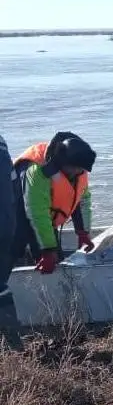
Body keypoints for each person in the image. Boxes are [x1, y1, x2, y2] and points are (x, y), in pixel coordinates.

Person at [11, 132, 97, 274]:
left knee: (56, 262)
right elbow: (37, 212)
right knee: (13, 251)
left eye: (82, 170)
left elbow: (81, 200)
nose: (79, 172)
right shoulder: (38, 171)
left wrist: (83, 232)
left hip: (45, 217)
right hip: (18, 210)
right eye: (77, 169)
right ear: (64, 163)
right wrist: (48, 250)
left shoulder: (79, 169)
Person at [0, 133, 22, 349]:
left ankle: (13, 347)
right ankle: (13, 346)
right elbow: (16, 193)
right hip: (7, 227)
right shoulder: (4, 149)